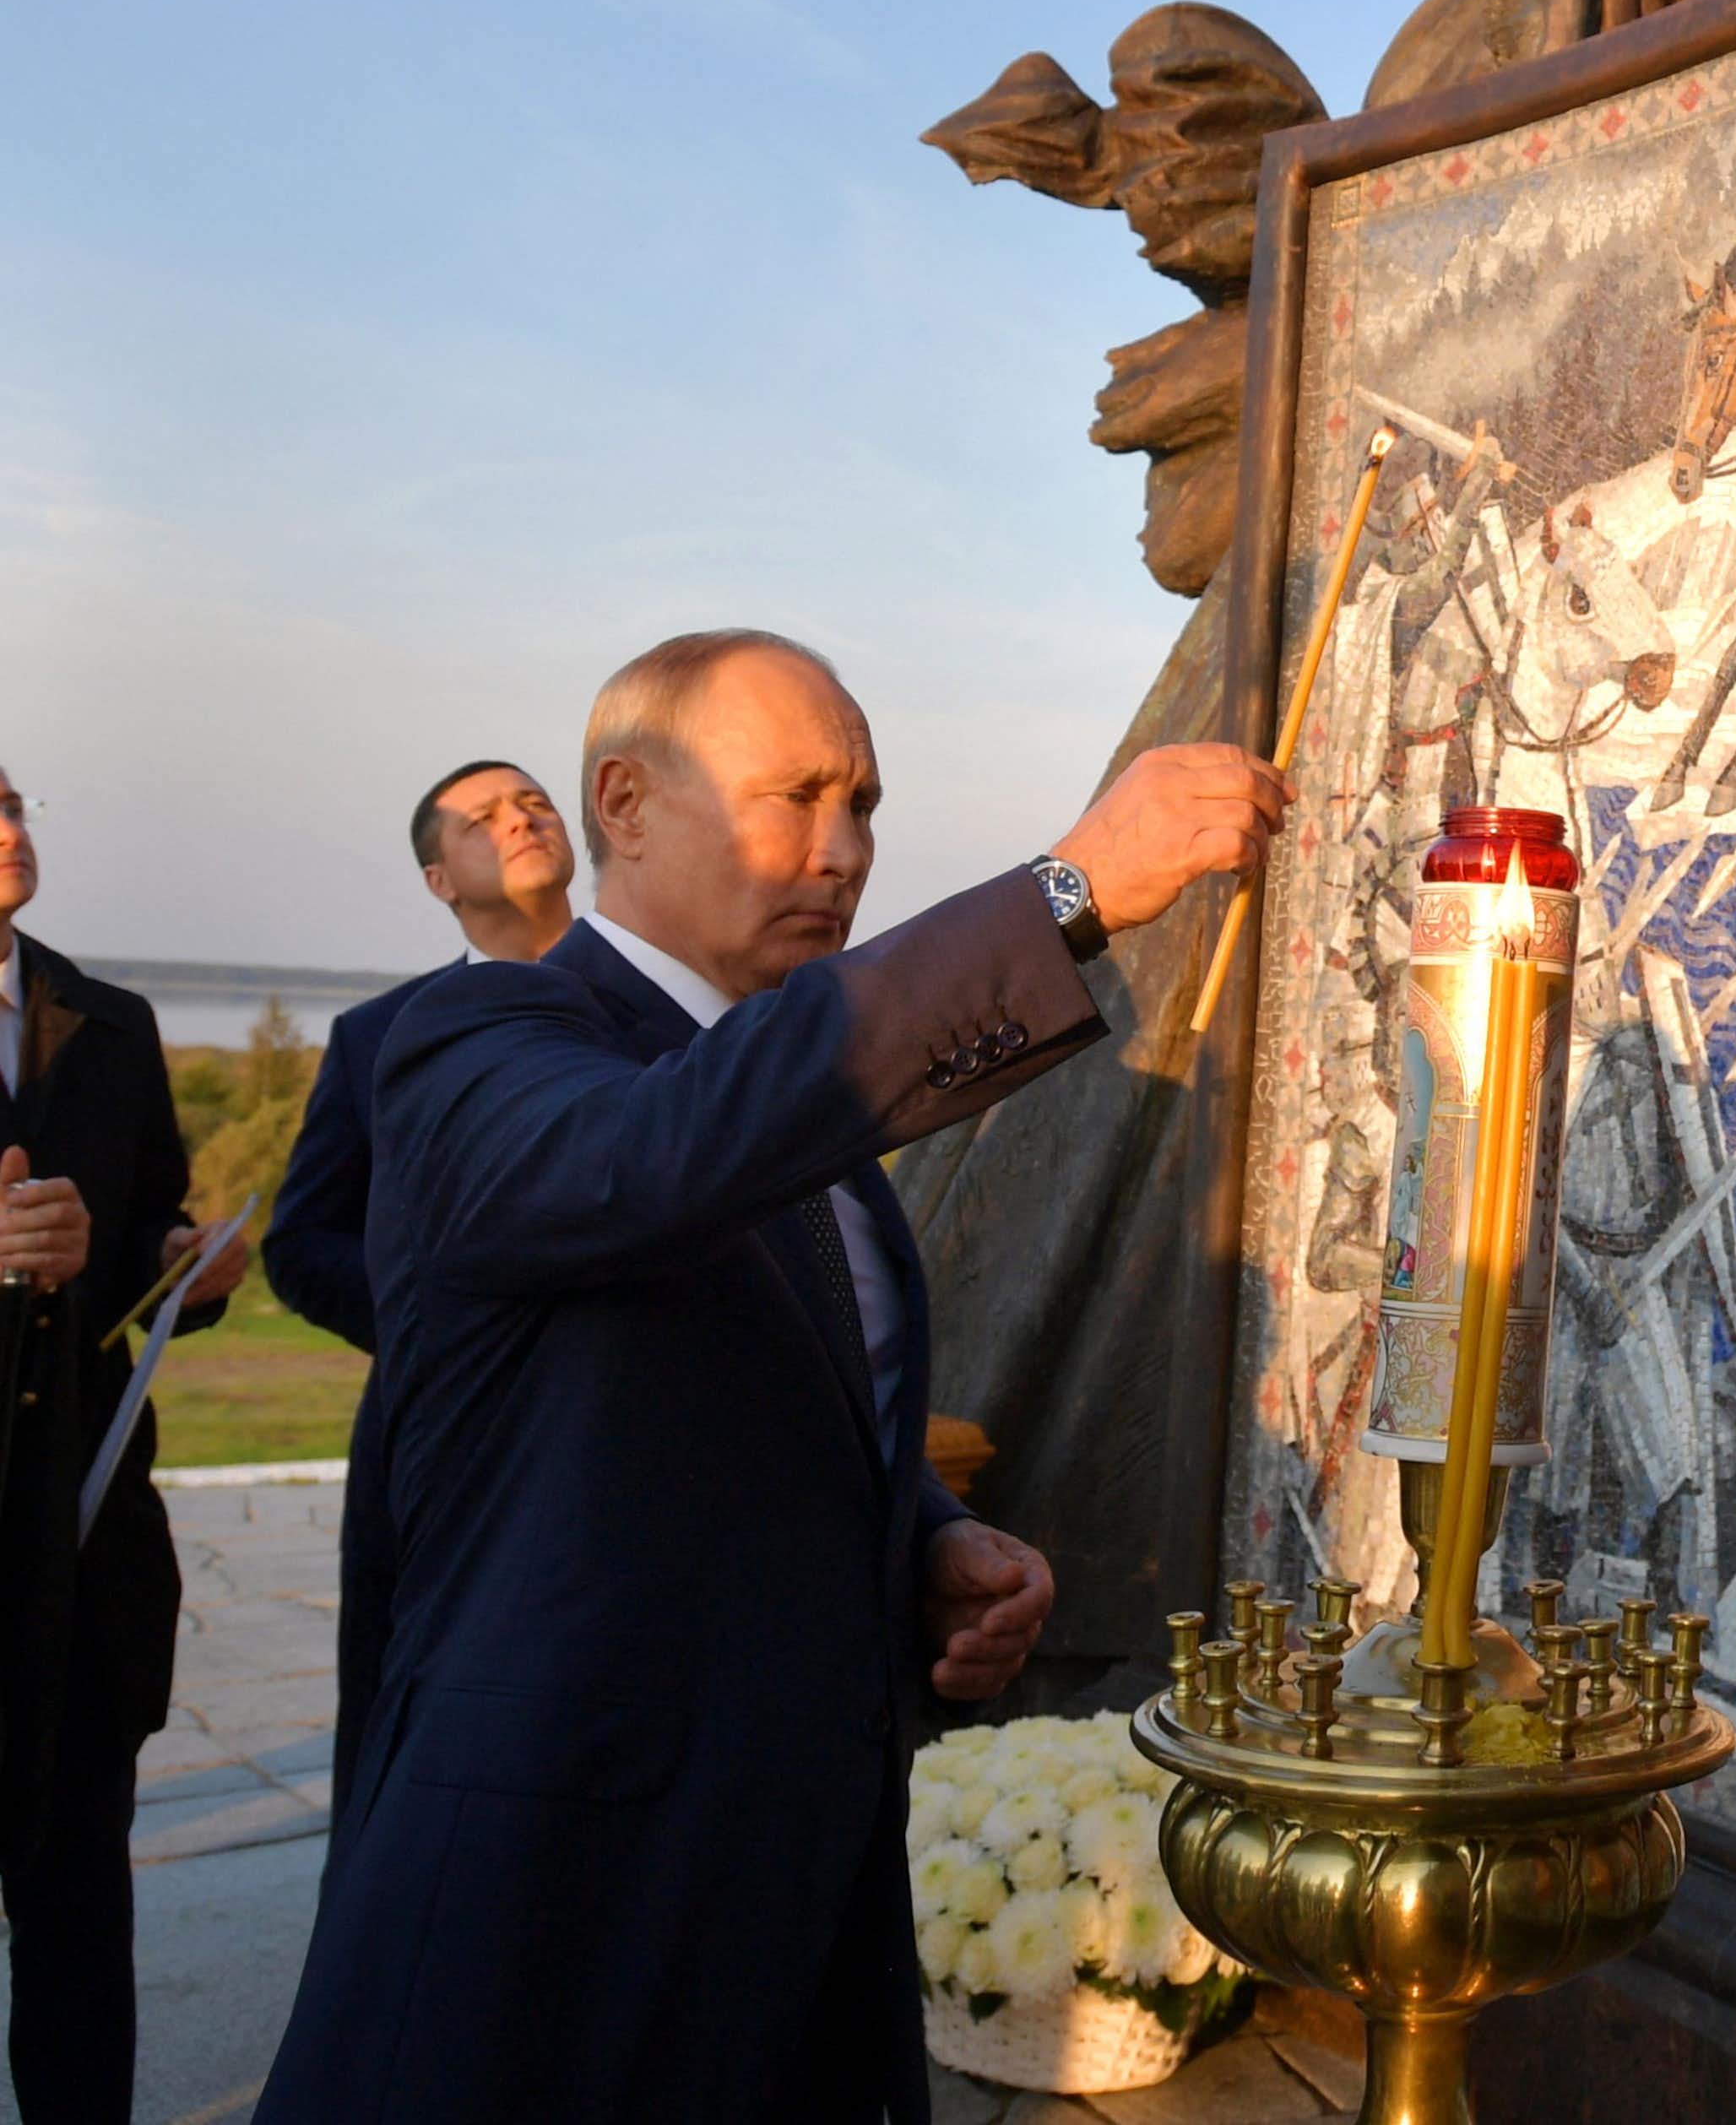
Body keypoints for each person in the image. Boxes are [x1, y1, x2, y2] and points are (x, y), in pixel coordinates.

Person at [255, 630, 1289, 2125]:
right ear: (623, 803)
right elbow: (655, 1159)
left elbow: (758, 1396)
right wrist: (1059, 899)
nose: (844, 849)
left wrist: (926, 1538)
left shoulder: (806, 1132)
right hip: (556, 1912)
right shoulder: (472, 1039)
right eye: (795, 796)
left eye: (863, 804)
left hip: (785, 1911)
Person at [0, 765, 246, 2125]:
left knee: (84, 1921)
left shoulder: (116, 1022)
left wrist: (182, 1265)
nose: (10, 830)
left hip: (86, 1557)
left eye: (15, 800)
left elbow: (144, 1241)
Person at [262, 759, 576, 1813]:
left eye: (532, 801)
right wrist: (444, 1321)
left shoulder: (663, 1007)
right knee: (414, 1754)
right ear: (441, 880)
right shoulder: (375, 1040)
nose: (520, 819)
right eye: (483, 818)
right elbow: (300, 1243)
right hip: (438, 1438)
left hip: (634, 1440)